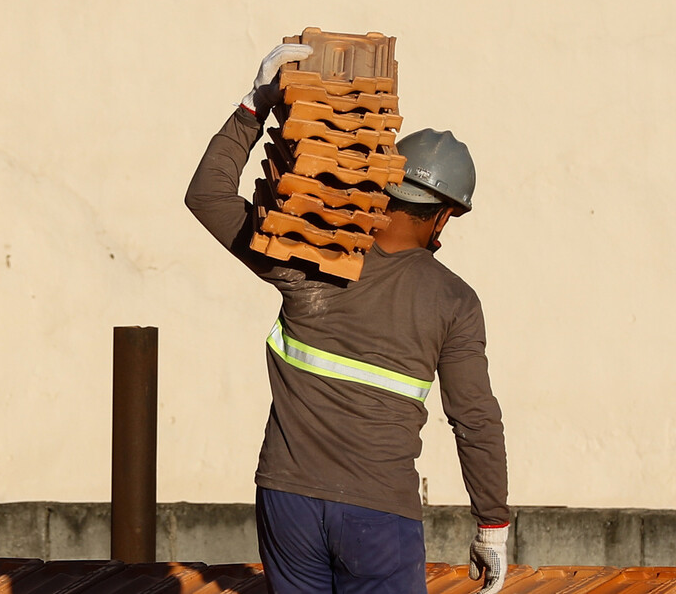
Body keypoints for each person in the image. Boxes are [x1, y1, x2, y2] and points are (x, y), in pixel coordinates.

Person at [186, 43, 510, 594]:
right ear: (445, 215)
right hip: (378, 515)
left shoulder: (305, 255)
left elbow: (207, 195)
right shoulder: (453, 302)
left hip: (287, 502)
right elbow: (475, 419)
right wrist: (492, 525)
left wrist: (254, 105)